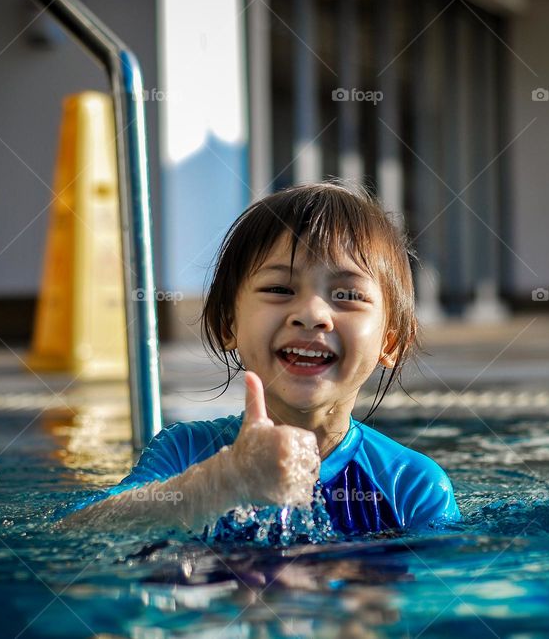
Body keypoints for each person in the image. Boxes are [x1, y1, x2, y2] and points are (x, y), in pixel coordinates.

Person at [59, 182, 460, 535]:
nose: (312, 314)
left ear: (392, 342)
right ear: (227, 323)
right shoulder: (186, 453)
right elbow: (78, 533)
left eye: (347, 296)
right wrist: (225, 480)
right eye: (280, 289)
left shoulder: (410, 487)